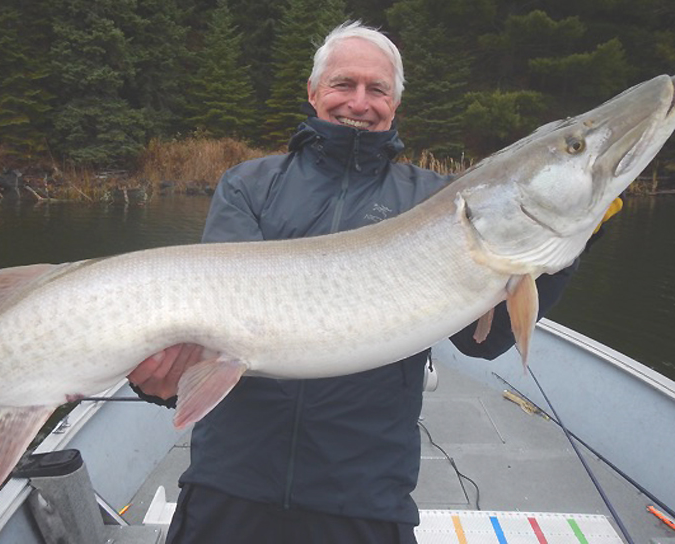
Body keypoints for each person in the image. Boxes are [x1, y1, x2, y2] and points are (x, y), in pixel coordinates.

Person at [128, 21, 576, 544]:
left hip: (363, 496)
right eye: (344, 85)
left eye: (377, 89)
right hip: (231, 485)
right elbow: (217, 325)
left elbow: (485, 341)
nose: (359, 102)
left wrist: (563, 246)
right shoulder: (250, 185)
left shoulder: (436, 202)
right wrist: (165, 384)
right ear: (315, 92)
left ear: (394, 104)